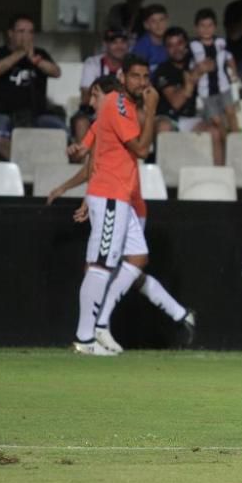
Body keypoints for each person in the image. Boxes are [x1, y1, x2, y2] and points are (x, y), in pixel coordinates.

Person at [51, 75, 196, 351]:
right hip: (117, 198)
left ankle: (101, 327)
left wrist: (74, 186)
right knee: (106, 265)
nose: (91, 101)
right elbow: (93, 159)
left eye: (95, 95)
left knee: (122, 263)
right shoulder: (111, 114)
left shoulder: (122, 111)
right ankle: (96, 330)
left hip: (128, 200)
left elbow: (106, 158)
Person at [72, 54, 159, 356]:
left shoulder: (123, 105)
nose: (141, 82)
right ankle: (85, 339)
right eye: (135, 76)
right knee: (100, 266)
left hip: (120, 195)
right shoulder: (120, 104)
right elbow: (142, 149)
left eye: (145, 77)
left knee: (137, 256)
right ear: (122, 77)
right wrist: (152, 110)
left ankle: (98, 325)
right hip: (110, 194)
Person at [0, 13, 64, 160]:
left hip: (37, 114)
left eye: (30, 32)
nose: (26, 36)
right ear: (10, 34)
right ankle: (21, 167)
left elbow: (56, 72)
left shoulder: (40, 53)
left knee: (62, 131)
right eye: (21, 31)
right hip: (4, 113)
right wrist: (20, 54)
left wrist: (36, 61)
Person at [72, 28, 128, 147]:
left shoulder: (131, 66)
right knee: (81, 121)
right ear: (105, 44)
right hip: (92, 112)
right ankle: (83, 160)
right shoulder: (93, 63)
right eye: (114, 42)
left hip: (122, 112)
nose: (119, 46)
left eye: (122, 42)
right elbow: (86, 98)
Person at [190, 7, 240, 139]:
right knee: (217, 121)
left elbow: (229, 57)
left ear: (215, 27)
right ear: (196, 28)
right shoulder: (193, 46)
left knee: (231, 113)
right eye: (202, 26)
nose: (206, 29)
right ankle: (226, 144)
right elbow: (190, 67)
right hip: (205, 90)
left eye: (210, 25)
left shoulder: (221, 42)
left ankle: (237, 141)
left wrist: (234, 74)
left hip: (224, 86)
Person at [131, 4, 170, 71]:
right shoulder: (141, 47)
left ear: (167, 21)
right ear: (146, 25)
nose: (159, 25)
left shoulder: (171, 42)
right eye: (153, 21)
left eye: (161, 20)